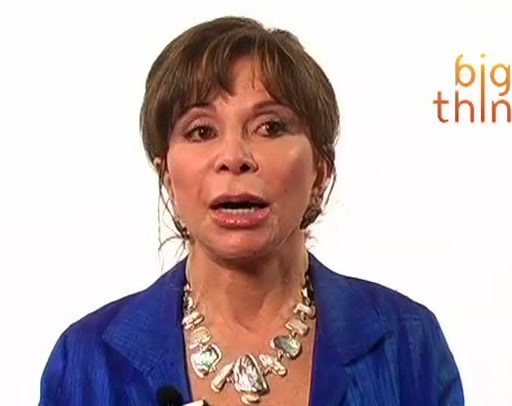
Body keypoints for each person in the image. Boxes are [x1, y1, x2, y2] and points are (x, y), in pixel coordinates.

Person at [39, 16, 464, 405]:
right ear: (166, 174)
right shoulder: (87, 361)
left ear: (320, 170)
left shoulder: (407, 343)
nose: (234, 157)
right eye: (201, 130)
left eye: (270, 127)